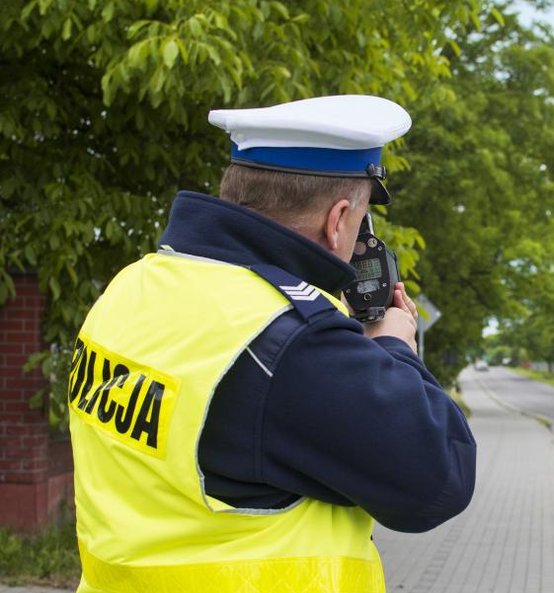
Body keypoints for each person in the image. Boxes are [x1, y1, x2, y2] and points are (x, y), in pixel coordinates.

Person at [67, 95, 477, 593]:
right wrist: (393, 348)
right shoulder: (290, 341)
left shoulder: (133, 286)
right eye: (363, 217)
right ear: (339, 218)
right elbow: (438, 478)